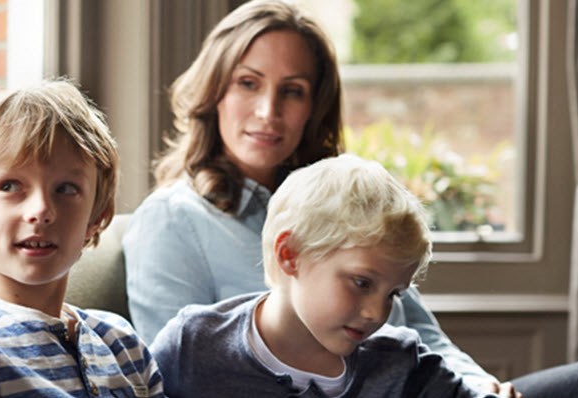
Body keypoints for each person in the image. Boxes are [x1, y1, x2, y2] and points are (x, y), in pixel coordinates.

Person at [123, 0, 578, 398]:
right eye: (248, 83)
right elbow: (173, 378)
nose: (268, 111)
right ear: (214, 90)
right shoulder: (173, 222)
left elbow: (423, 334)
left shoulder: (348, 210)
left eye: (293, 91)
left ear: (314, 107)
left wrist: (481, 386)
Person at [152, 154, 502, 397]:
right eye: (362, 283)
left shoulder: (402, 364)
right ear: (290, 255)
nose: (377, 313)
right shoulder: (192, 346)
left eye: (393, 294)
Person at [0, 80, 164, 398]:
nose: (41, 210)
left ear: (96, 218)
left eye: (66, 188)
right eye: (10, 186)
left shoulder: (121, 342)